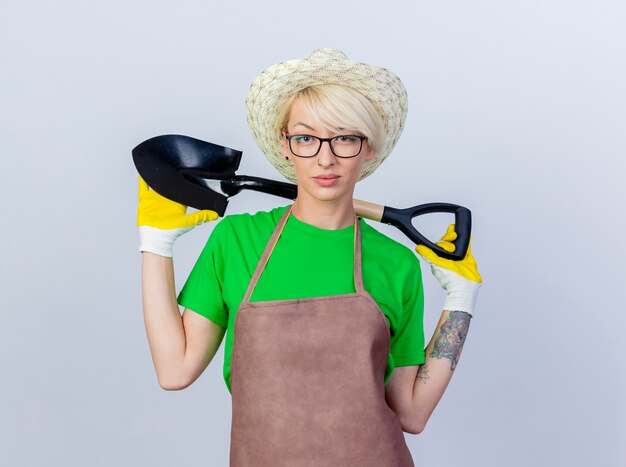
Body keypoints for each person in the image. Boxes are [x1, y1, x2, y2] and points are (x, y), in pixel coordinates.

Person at [137, 48, 482, 466]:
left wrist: (461, 300)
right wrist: (156, 244)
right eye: (306, 137)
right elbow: (175, 371)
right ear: (286, 145)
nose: (325, 157)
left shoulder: (395, 262)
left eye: (344, 138)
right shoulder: (237, 241)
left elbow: (412, 412)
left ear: (367, 147)